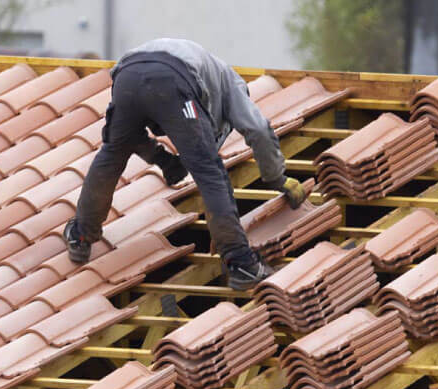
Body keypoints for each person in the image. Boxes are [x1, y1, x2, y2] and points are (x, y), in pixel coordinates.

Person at [62, 37, 306, 290]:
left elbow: (130, 136)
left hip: (127, 76)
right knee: (210, 172)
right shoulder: (231, 85)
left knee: (112, 152)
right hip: (171, 79)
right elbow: (258, 130)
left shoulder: (204, 71)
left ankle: (81, 234)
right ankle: (241, 262)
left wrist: (166, 162)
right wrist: (276, 177)